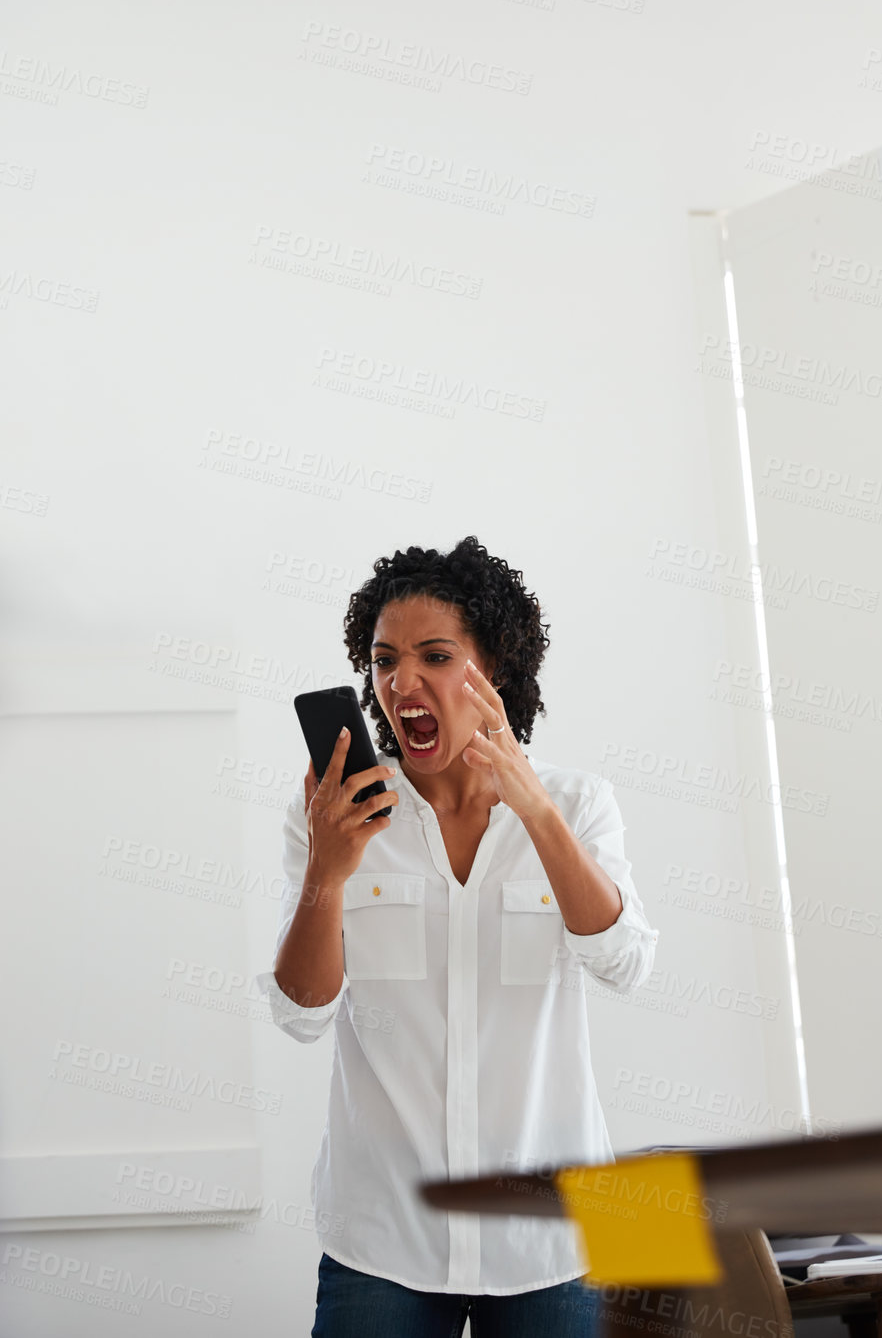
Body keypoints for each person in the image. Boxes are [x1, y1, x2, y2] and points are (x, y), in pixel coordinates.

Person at [257, 536, 659, 1337]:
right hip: (383, 1236)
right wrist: (328, 871)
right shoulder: (338, 818)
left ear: (495, 670)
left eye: (433, 656)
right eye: (383, 661)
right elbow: (300, 1011)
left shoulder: (577, 804)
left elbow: (626, 963)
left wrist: (535, 810)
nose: (401, 681)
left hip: (558, 1241)